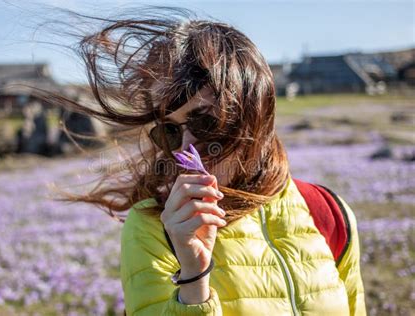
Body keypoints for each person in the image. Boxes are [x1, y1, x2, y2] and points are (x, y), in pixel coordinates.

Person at [51, 6, 367, 315]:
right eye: (169, 132)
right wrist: (193, 276)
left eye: (205, 121)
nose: (187, 148)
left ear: (254, 111)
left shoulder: (327, 212)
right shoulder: (152, 228)